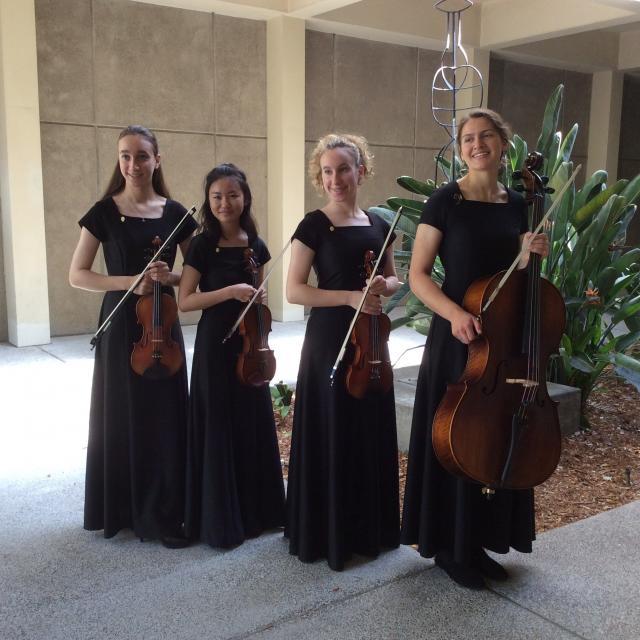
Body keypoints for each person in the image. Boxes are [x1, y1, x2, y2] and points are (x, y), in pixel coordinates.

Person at [400, 108, 550, 588]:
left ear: (504, 145)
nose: (477, 144)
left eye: (486, 136)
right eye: (468, 138)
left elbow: (517, 279)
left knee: (496, 434)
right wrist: (455, 315)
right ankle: (451, 546)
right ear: (460, 148)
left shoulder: (518, 206)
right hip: (458, 334)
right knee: (457, 435)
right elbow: (418, 276)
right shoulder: (446, 201)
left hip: (504, 340)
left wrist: (532, 256)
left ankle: (483, 540)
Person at [69, 125, 197, 547]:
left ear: (157, 160)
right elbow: (78, 275)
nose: (133, 164)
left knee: (164, 414)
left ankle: (164, 510)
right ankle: (123, 507)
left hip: (163, 323)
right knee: (123, 414)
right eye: (125, 156)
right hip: (123, 323)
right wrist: (130, 281)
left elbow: (196, 273)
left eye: (142, 156)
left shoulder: (176, 213)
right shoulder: (104, 212)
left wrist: (169, 275)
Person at [285, 133, 401, 571]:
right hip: (329, 339)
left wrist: (381, 287)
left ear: (361, 171)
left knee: (368, 427)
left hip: (371, 340)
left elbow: (394, 281)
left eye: (344, 169)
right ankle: (329, 534)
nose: (336, 178)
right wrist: (350, 297)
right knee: (332, 428)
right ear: (321, 176)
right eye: (327, 171)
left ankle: (370, 529)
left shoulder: (378, 223)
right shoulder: (313, 225)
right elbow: (295, 291)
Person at [178, 163, 285, 548]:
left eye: (233, 195)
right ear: (209, 201)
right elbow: (185, 300)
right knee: (219, 424)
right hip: (215, 345)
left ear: (245, 198)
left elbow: (260, 296)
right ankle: (222, 518)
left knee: (250, 423)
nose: (225, 203)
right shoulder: (203, 244)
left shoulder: (256, 244)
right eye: (217, 196)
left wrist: (257, 305)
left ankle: (257, 511)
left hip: (248, 344)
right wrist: (229, 292)